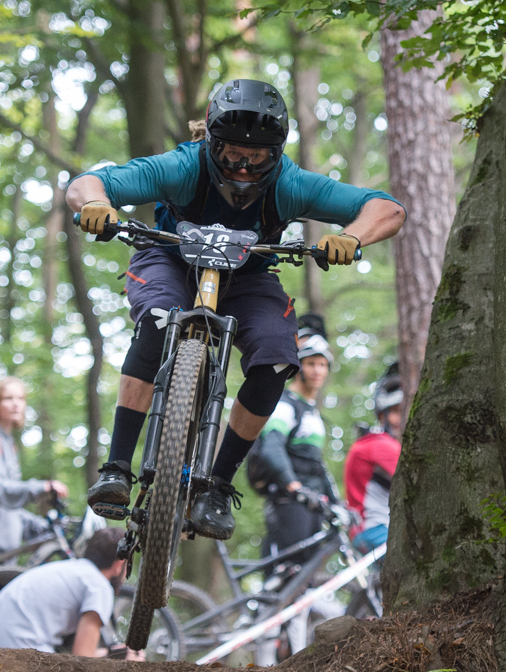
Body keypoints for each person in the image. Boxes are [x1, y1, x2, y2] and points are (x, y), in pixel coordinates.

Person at [69, 78, 405, 541]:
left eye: (259, 157)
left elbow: (385, 209)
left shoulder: (290, 183)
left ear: (277, 153)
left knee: (276, 358)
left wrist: (350, 238)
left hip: (248, 278)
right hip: (169, 258)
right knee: (156, 323)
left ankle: (218, 486)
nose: (244, 167)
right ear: (210, 140)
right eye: (231, 154)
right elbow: (92, 182)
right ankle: (117, 468)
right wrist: (94, 204)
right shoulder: (183, 166)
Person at [0, 528, 141, 659]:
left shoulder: (70, 569)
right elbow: (83, 658)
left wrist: (109, 652)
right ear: (119, 563)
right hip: (15, 651)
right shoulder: (99, 586)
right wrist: (121, 659)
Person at [0, 377, 69, 566]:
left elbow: (9, 507)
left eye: (21, 398)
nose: (16, 404)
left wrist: (41, 525)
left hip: (2, 551)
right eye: (8, 398)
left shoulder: (7, 442)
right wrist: (43, 487)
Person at [247, 332, 339, 560]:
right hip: (289, 500)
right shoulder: (285, 404)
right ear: (299, 368)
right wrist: (293, 486)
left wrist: (338, 504)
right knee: (287, 573)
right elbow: (272, 447)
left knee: (306, 578)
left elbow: (316, 464)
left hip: (314, 504)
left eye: (322, 364)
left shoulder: (312, 412)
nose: (317, 370)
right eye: (310, 364)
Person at [344, 366, 403, 552]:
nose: (402, 419)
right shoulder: (379, 444)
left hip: (373, 530)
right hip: (376, 529)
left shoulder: (371, 442)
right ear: (382, 416)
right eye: (396, 412)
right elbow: (422, 484)